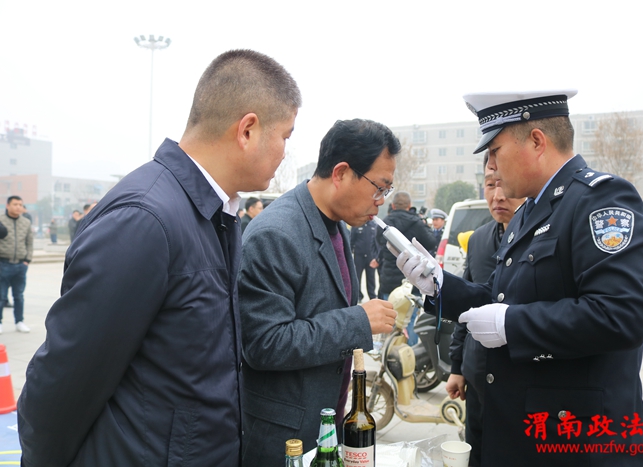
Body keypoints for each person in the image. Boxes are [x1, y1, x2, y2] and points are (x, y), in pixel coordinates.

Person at [17, 49, 301, 467]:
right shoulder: (145, 220)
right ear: (247, 130)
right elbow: (61, 385)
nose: (285, 153)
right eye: (286, 137)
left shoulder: (214, 215)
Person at [396, 90, 643, 466]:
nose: (491, 166)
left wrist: (512, 325)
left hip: (577, 444)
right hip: (522, 434)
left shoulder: (601, 201)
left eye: (495, 151)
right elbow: (500, 298)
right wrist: (440, 286)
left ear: (537, 141)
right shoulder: (528, 213)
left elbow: (621, 314)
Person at [238, 118, 400, 465]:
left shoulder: (337, 226)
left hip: (325, 423)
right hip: (284, 435)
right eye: (378, 187)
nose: (380, 202)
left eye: (386, 191)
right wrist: (358, 321)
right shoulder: (276, 234)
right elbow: (264, 343)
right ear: (341, 173)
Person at [445, 151, 525, 466]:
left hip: (517, 377)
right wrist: (457, 367)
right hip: (477, 373)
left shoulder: (537, 239)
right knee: (475, 450)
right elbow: (468, 306)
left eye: (505, 184)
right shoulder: (478, 240)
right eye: (490, 185)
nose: (498, 195)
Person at [376, 190, 435, 345]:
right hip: (412, 278)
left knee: (389, 318)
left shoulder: (385, 222)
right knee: (410, 318)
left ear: (393, 206)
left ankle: (390, 353)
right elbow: (431, 242)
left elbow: (378, 242)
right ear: (410, 206)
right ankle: (409, 352)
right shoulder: (416, 223)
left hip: (389, 277)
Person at [0, 196, 33, 334]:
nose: (18, 207)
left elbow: (29, 242)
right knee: (1, 296)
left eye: (20, 204)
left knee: (19, 296)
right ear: (7, 205)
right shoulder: (1, 220)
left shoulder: (26, 222)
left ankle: (19, 321)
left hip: (20, 265)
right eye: (15, 204)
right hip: (3, 263)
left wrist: (27, 260)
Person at [350, 219, 379, 301]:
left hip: (371, 256)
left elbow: (376, 242)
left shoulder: (374, 225)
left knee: (371, 277)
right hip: (359, 256)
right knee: (357, 276)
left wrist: (376, 256)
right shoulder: (357, 225)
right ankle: (358, 295)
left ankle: (372, 295)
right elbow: (352, 240)